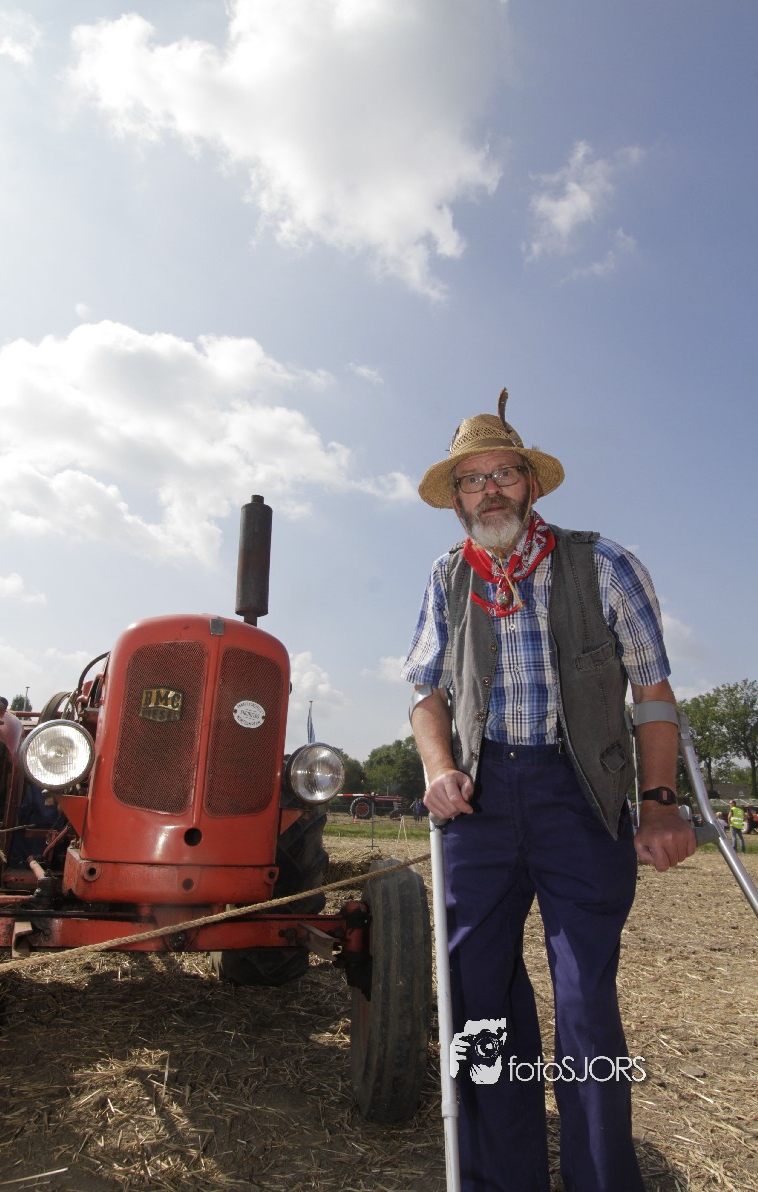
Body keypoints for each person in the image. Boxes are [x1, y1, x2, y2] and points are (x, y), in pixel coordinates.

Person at [402, 391, 695, 1192]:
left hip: (580, 798)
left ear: (530, 483)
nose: (488, 492)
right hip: (479, 800)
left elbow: (652, 691)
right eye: (471, 481)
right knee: (477, 999)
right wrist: (437, 769)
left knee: (585, 997)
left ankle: (602, 1180)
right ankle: (506, 1178)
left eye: (502, 474)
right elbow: (427, 695)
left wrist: (659, 802)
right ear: (455, 500)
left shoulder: (601, 563)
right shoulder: (446, 577)